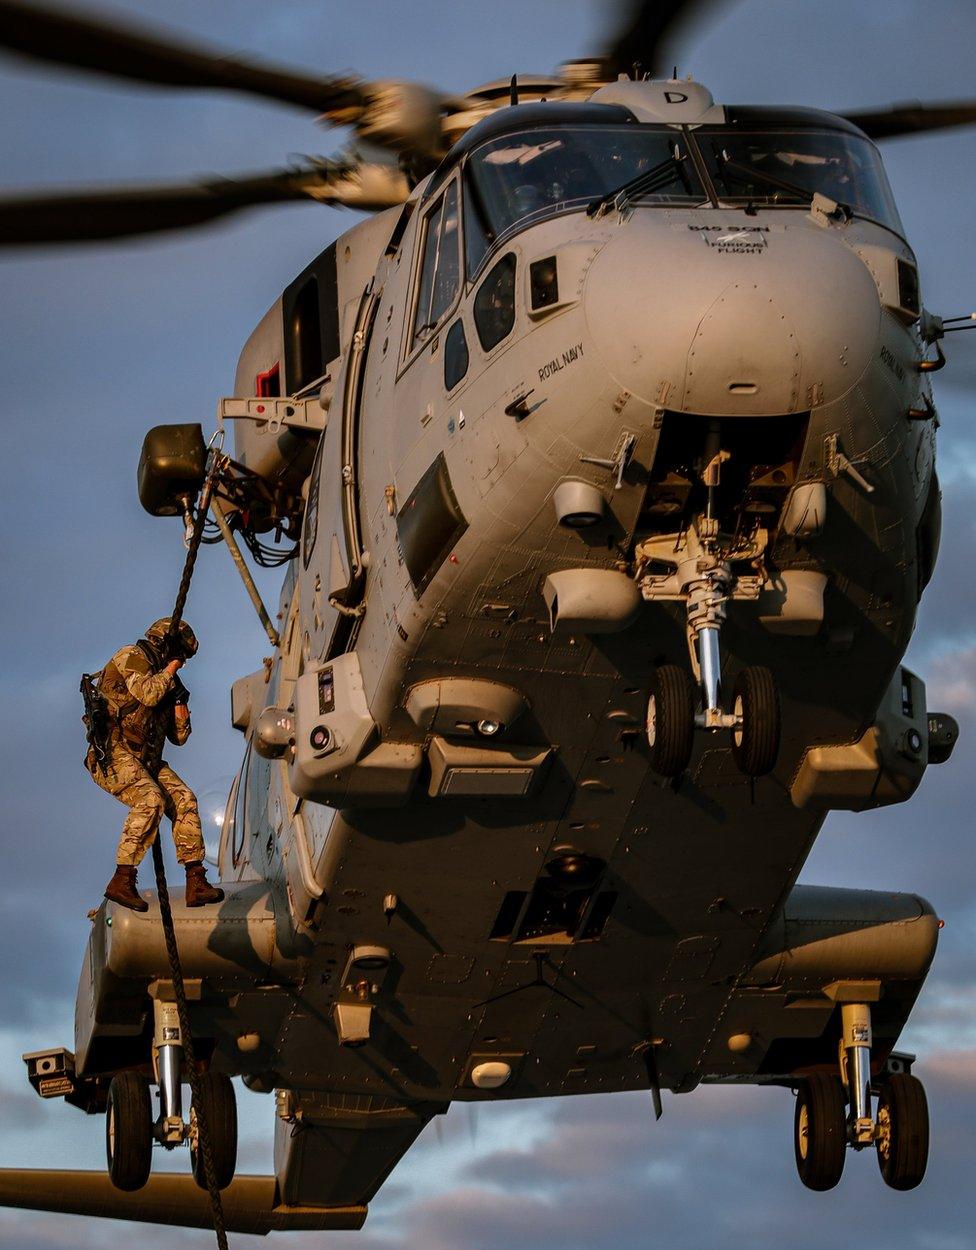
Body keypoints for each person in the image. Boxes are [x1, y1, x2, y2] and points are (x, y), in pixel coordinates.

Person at [87, 617, 224, 912]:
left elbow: (179, 737)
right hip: (113, 754)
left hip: (145, 760)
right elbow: (147, 694)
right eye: (182, 657)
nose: (182, 663)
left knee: (185, 800)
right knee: (151, 800)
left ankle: (196, 879)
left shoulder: (165, 682)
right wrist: (172, 669)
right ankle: (122, 878)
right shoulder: (131, 657)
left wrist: (179, 703)